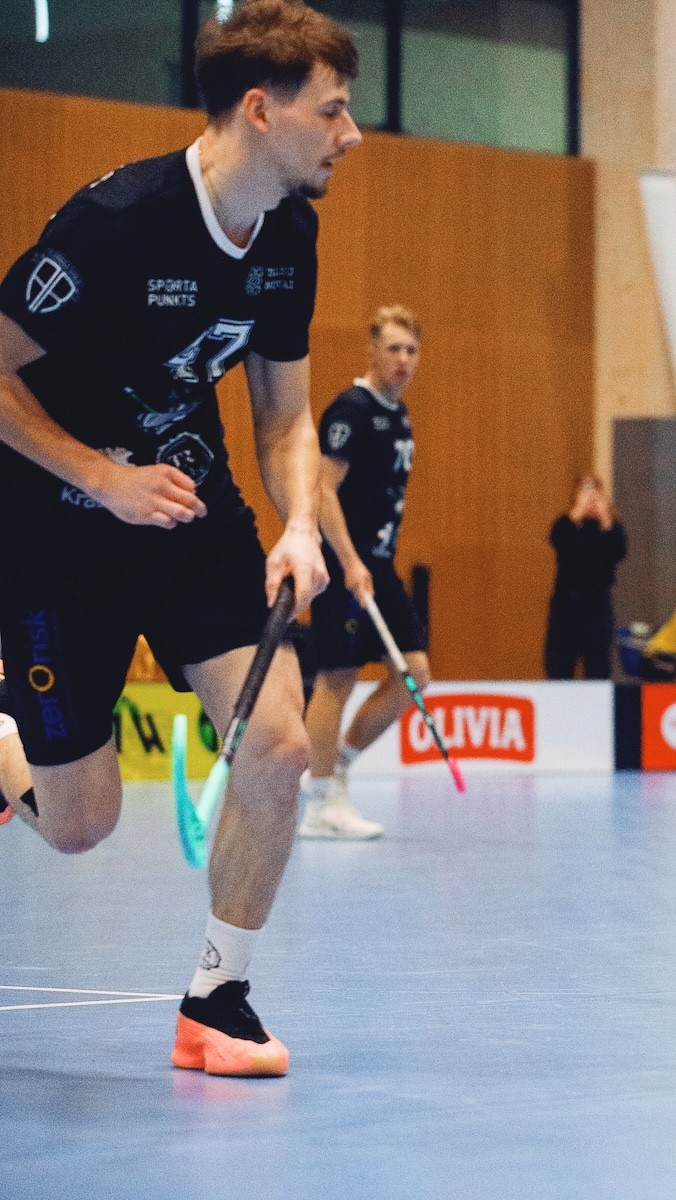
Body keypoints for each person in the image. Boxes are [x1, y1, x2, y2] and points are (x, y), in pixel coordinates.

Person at [0, 0, 360, 1076]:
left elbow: (285, 416)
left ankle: (217, 999)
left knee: (280, 746)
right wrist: (102, 477)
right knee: (81, 825)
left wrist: (300, 526)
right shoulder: (116, 222)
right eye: (331, 110)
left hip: (193, 518)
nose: (350, 134)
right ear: (262, 109)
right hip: (58, 532)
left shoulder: (288, 235)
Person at [299, 305, 429, 840]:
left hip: (379, 564)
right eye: (393, 348)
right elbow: (322, 489)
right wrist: (349, 561)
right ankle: (318, 805)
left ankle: (337, 768)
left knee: (413, 673)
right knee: (337, 677)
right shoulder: (350, 410)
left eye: (411, 350)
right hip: (342, 563)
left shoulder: (399, 414)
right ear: (372, 351)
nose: (403, 359)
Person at [544, 474, 628, 680]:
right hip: (566, 607)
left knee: (598, 668)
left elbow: (619, 549)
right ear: (576, 495)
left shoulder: (611, 528)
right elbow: (557, 538)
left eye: (595, 491)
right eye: (584, 490)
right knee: (559, 667)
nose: (590, 497)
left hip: (597, 608)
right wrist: (577, 512)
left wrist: (605, 519)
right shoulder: (566, 524)